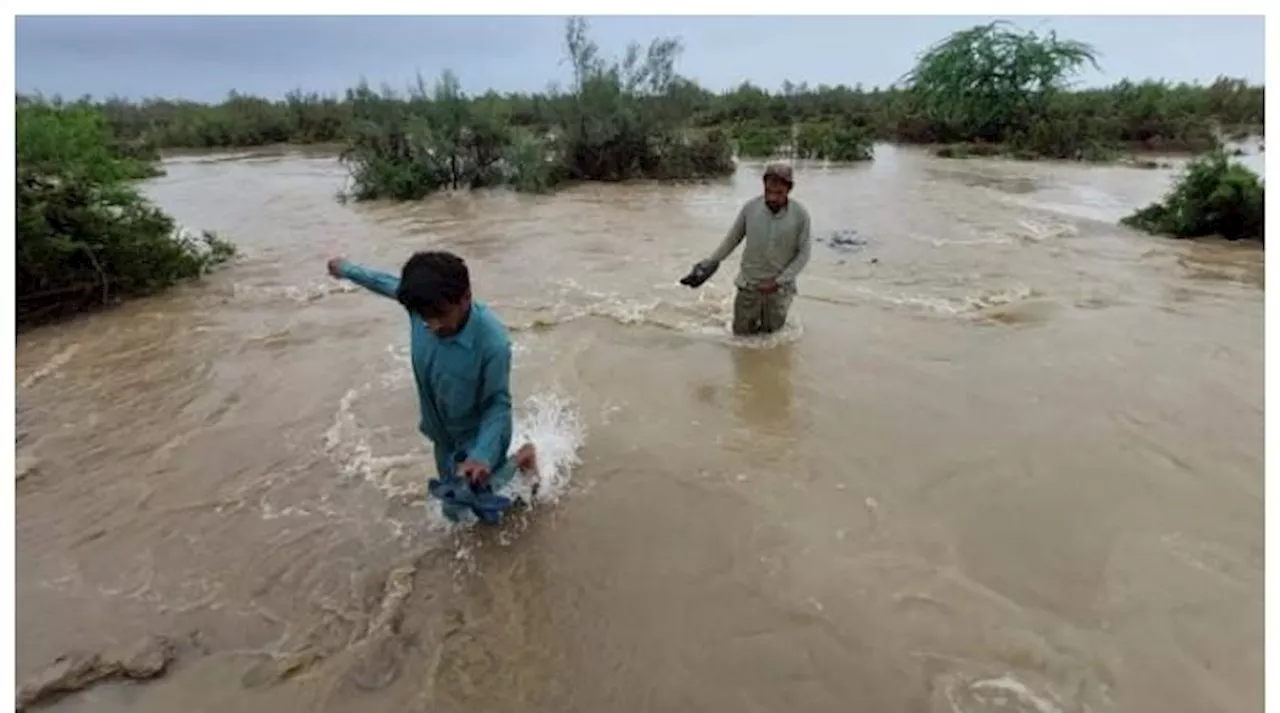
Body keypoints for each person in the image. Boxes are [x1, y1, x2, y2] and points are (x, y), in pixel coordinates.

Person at [326, 250, 536, 524]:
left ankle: (521, 460)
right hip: (441, 432)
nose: (433, 325)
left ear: (465, 298)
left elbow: (498, 403)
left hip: (481, 434)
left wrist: (481, 455)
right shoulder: (421, 308)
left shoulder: (493, 343)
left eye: (440, 315)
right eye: (425, 317)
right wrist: (346, 269)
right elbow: (384, 282)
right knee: (452, 506)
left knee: (485, 514)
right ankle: (510, 468)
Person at [684, 162, 812, 336]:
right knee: (741, 338)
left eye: (778, 193)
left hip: (780, 291)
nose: (772, 198)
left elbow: (804, 254)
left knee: (773, 339)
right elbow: (732, 239)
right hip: (749, 286)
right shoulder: (750, 209)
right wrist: (710, 263)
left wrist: (778, 281)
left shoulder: (800, 215)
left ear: (789, 189)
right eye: (768, 192)